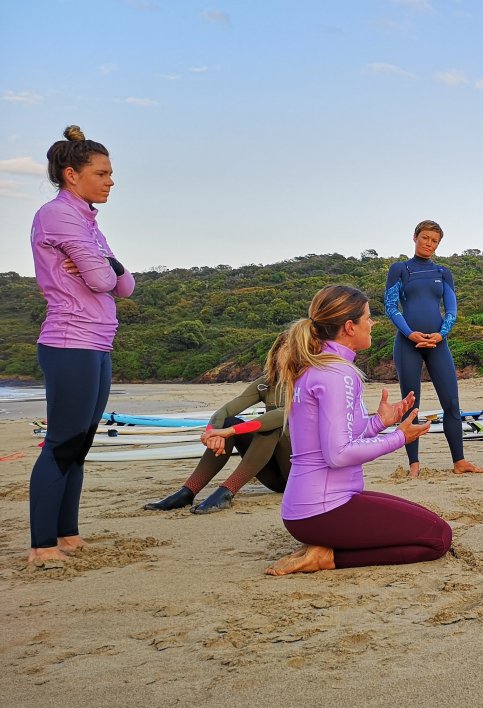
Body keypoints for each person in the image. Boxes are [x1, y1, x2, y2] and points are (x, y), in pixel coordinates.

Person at [265, 285, 451, 575]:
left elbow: (333, 438)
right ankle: (327, 558)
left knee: (429, 520)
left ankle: (323, 547)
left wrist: (379, 423)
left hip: (309, 507)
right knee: (438, 538)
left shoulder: (317, 368)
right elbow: (338, 454)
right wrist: (399, 437)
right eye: (367, 317)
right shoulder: (338, 374)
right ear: (350, 327)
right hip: (322, 510)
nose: (372, 323)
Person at [28, 126, 134, 567]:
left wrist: (107, 265)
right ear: (72, 175)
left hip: (98, 342)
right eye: (102, 173)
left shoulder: (88, 221)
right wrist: (106, 269)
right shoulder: (58, 216)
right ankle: (42, 546)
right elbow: (102, 280)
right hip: (69, 340)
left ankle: (67, 535)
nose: (111, 181)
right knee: (62, 442)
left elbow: (124, 284)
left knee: (81, 443)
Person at [144, 333, 292, 514]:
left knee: (270, 427)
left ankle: (226, 492)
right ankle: (187, 492)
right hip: (273, 477)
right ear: (276, 352)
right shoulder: (266, 384)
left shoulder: (307, 384)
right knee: (227, 422)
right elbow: (225, 411)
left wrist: (230, 431)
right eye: (287, 349)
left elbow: (282, 414)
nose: (292, 354)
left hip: (298, 474)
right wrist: (212, 432)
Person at [384, 220, 483, 477]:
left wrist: (441, 334)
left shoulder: (443, 272)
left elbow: (451, 309)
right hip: (408, 344)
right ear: (415, 237)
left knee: (451, 403)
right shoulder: (400, 269)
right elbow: (391, 307)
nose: (429, 244)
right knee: (411, 405)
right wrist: (410, 333)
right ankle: (414, 465)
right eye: (425, 238)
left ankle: (459, 461)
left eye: (434, 241)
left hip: (438, 344)